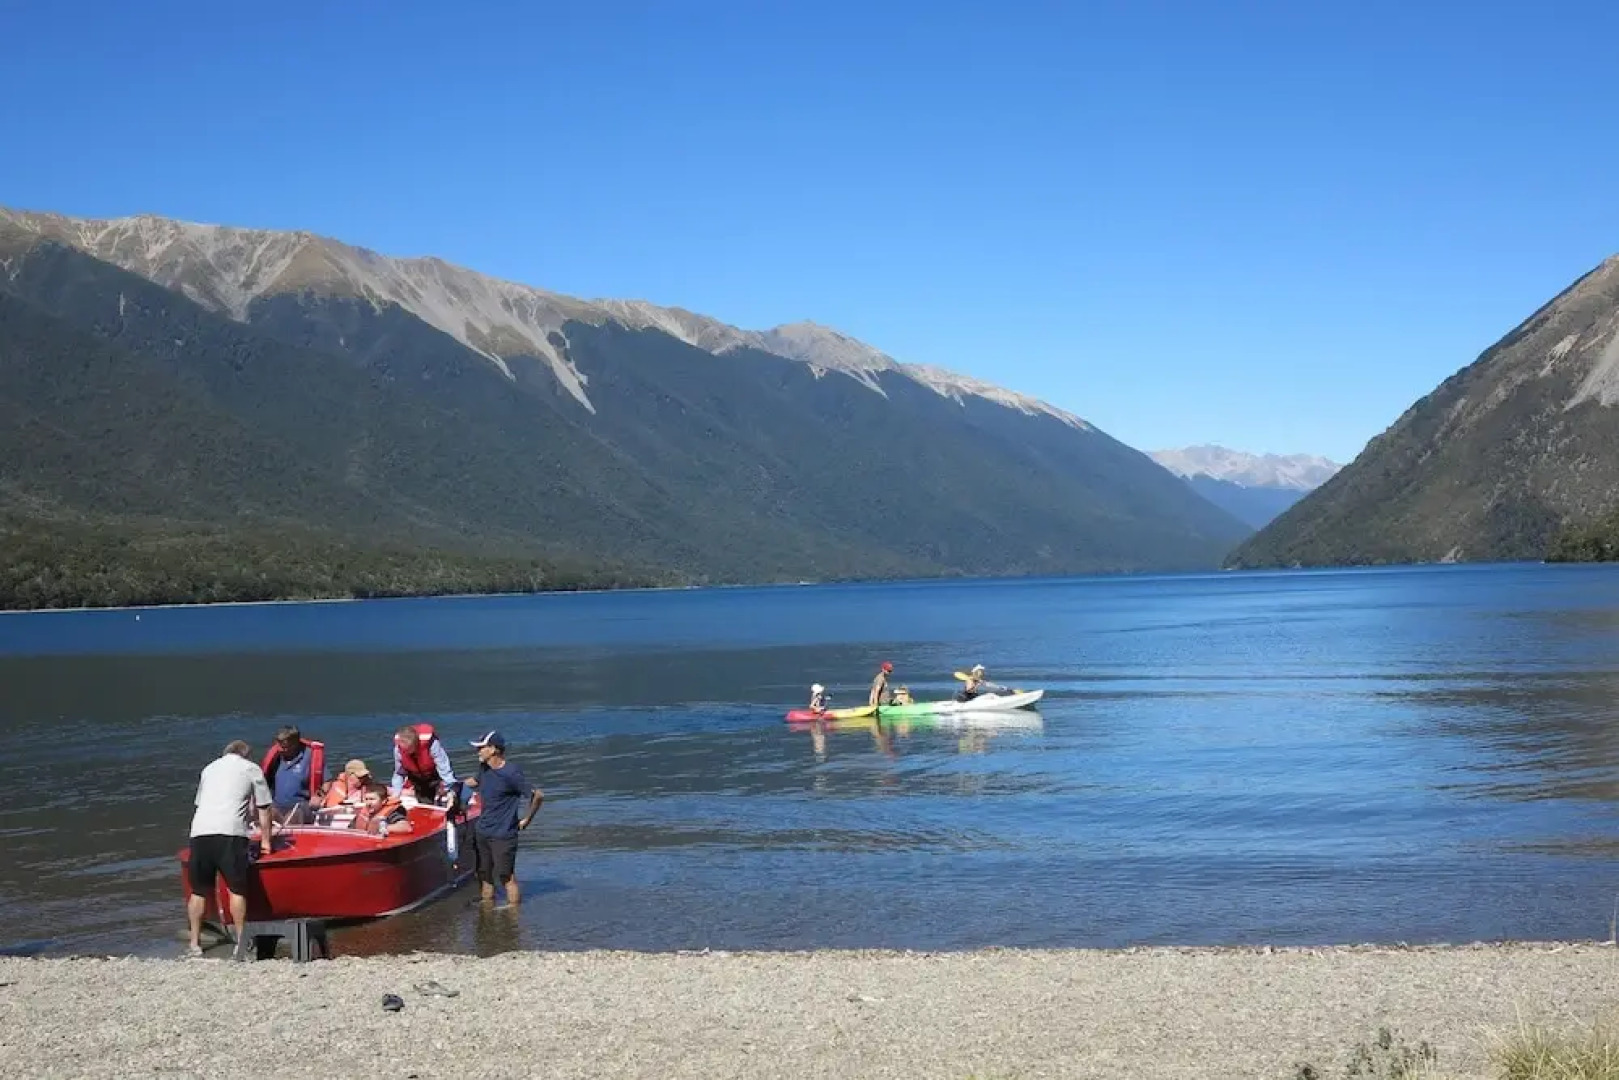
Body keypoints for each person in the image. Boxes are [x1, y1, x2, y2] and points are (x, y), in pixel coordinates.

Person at [186, 740, 273, 959]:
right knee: (236, 889)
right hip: (230, 833)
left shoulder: (209, 768)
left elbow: (201, 802)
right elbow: (264, 808)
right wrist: (266, 842)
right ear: (246, 755)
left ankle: (194, 943)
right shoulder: (251, 768)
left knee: (198, 891)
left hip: (200, 832)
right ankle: (241, 942)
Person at [461, 730, 544, 907]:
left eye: (481, 748)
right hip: (483, 830)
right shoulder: (484, 768)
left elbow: (537, 795)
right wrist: (452, 784)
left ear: (493, 750)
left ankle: (513, 914)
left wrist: (526, 820)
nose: (477, 752)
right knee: (484, 873)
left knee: (506, 876)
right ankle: (487, 906)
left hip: (503, 834)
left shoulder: (511, 773)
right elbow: (475, 781)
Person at [261, 725, 325, 825]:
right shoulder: (275, 757)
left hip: (301, 806)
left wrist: (319, 795)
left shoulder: (311, 756)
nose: (280, 749)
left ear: (295, 744)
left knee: (293, 817)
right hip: (277, 805)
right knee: (267, 813)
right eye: (279, 745)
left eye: (284, 747)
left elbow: (327, 782)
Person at [391, 722, 456, 803]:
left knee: (446, 798)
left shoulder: (432, 745)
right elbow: (399, 773)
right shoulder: (398, 750)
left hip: (435, 774)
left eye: (409, 748)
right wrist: (396, 793)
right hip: (418, 779)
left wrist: (449, 787)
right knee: (425, 801)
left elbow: (444, 766)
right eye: (404, 749)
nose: (406, 752)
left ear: (416, 743)